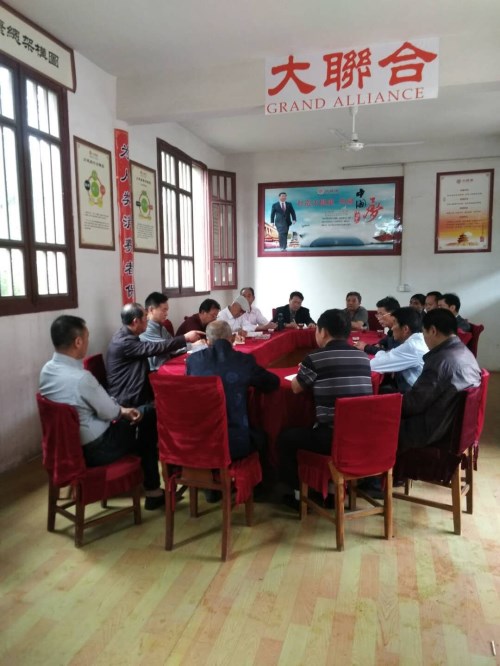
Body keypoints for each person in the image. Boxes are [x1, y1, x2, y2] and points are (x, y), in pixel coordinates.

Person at [39, 315, 165, 510]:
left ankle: (147, 485)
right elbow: (110, 413)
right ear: (78, 342)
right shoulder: (81, 378)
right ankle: (153, 491)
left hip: (65, 447)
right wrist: (122, 411)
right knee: (147, 415)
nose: (87, 342)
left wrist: (119, 410)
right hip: (98, 449)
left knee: (139, 419)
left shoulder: (47, 371)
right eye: (87, 337)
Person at [277, 309, 373, 505]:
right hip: (362, 435)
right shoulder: (363, 357)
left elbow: (296, 388)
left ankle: (298, 495)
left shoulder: (315, 358)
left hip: (331, 437)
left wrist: (302, 370)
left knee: (285, 438)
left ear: (323, 332)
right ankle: (331, 490)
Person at [187, 320, 280, 460]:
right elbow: (272, 383)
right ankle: (256, 474)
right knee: (263, 438)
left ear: (207, 341)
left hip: (198, 439)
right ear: (232, 338)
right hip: (233, 442)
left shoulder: (193, 361)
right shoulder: (243, 361)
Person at [398, 309, 481, 452]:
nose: (424, 338)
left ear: (433, 331)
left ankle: (376, 465)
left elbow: (413, 405)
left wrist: (387, 405)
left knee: (378, 422)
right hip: (453, 427)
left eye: (424, 333)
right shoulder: (465, 353)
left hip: (431, 432)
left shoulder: (440, 361)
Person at [106, 302, 202, 407]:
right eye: (145, 318)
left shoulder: (126, 335)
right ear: (135, 321)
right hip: (129, 400)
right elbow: (156, 347)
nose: (147, 320)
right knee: (178, 400)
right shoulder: (124, 342)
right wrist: (185, 338)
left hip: (138, 391)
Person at [140, 291, 206, 371]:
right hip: (154, 371)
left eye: (167, 310)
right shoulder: (146, 328)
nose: (166, 314)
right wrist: (192, 344)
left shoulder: (161, 327)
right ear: (151, 309)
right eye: (164, 310)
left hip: (166, 365)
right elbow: (166, 346)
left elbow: (173, 345)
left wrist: (194, 345)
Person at [370, 307, 428, 393]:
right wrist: (386, 354)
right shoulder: (418, 339)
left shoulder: (411, 347)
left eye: (394, 324)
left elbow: (374, 365)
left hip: (416, 394)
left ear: (405, 329)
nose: (392, 328)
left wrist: (383, 354)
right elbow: (389, 356)